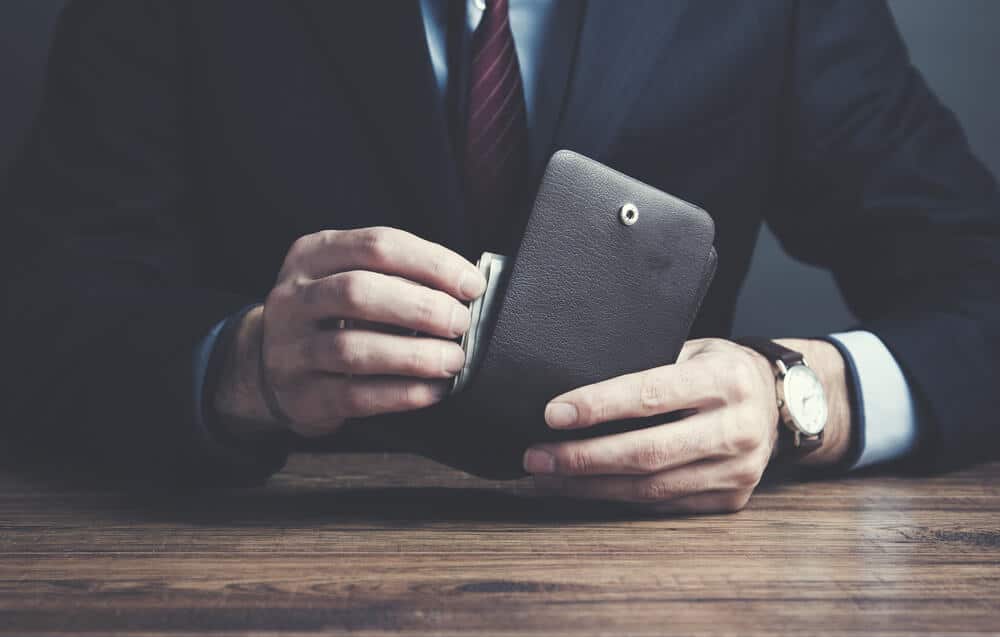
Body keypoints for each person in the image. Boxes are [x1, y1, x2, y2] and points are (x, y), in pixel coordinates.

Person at [3, 0, 998, 513]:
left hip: (664, 590)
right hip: (240, 586)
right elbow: (43, 307)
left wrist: (798, 399)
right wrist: (240, 367)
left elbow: (980, 279)